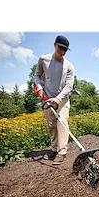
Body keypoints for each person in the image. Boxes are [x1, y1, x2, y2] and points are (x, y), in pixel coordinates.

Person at [34, 35, 75, 165]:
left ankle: (62, 152)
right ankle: (54, 149)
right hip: (47, 98)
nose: (62, 52)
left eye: (65, 50)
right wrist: (39, 87)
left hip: (62, 99)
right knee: (51, 125)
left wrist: (58, 99)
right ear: (54, 45)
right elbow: (37, 76)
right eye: (60, 48)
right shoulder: (43, 59)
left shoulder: (69, 66)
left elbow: (69, 86)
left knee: (62, 123)